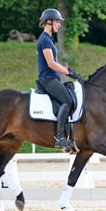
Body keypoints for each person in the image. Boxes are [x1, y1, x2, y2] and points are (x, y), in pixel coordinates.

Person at [36, 8, 81, 150]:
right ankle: (60, 138)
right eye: (57, 22)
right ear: (48, 22)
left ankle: (68, 136)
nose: (59, 25)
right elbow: (51, 63)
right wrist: (68, 72)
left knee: (69, 95)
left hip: (52, 78)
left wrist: (68, 72)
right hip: (47, 79)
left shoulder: (49, 39)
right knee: (67, 100)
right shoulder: (44, 40)